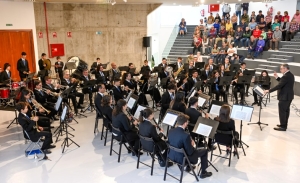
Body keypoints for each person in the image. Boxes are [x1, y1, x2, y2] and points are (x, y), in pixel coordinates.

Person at [168, 114, 212, 179]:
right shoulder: (186, 136)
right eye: (187, 122)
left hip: (171, 155)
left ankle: (189, 167)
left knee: (183, 148)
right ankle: (203, 173)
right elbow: (190, 152)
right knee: (205, 151)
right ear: (185, 123)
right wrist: (192, 144)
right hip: (182, 158)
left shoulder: (170, 131)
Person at [264, 64, 295, 131]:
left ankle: (283, 126)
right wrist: (277, 77)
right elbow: (283, 82)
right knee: (286, 111)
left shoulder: (286, 76)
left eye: (281, 69)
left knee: (282, 111)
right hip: (289, 96)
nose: (280, 70)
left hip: (284, 96)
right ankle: (284, 124)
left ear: (285, 68)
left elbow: (279, 86)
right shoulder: (290, 74)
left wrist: (269, 90)